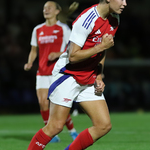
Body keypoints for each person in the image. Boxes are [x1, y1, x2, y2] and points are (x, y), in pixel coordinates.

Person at [27, 0, 127, 149]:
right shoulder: (86, 20)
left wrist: (99, 75)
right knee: (55, 126)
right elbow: (73, 57)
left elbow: (103, 48)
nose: (124, 3)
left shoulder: (114, 18)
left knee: (103, 125)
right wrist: (101, 46)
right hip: (68, 75)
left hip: (88, 76)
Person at [24, 1, 79, 143]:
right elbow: (33, 50)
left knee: (59, 106)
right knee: (43, 103)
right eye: (44, 8)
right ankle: (51, 133)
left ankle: (72, 131)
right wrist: (30, 62)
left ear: (57, 11)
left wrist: (58, 54)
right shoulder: (37, 29)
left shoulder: (64, 29)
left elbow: (72, 49)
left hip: (58, 73)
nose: (46, 10)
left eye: (49, 7)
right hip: (42, 72)